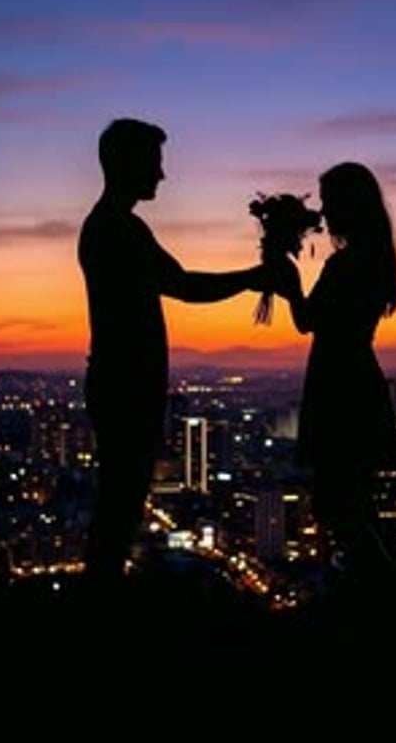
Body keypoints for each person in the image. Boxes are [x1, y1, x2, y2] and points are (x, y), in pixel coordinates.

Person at [78, 117, 265, 591]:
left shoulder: (115, 227)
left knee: (118, 507)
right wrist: (252, 278)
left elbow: (177, 284)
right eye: (154, 163)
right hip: (126, 388)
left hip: (122, 383)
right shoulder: (118, 229)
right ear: (128, 164)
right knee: (119, 510)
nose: (162, 175)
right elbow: (183, 286)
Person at [271, 161, 396, 596]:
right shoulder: (375, 259)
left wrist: (287, 280)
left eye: (328, 201)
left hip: (339, 387)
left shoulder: (348, 264)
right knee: (349, 500)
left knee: (337, 502)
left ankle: (381, 590)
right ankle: (378, 589)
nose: (323, 212)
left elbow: (308, 321)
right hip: (355, 381)